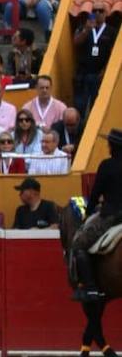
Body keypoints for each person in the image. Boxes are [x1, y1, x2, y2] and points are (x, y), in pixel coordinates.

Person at [70, 128, 122, 301]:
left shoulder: (107, 165)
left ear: (111, 146)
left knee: (79, 244)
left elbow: (95, 193)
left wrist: (88, 212)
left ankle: (90, 288)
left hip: (112, 215)